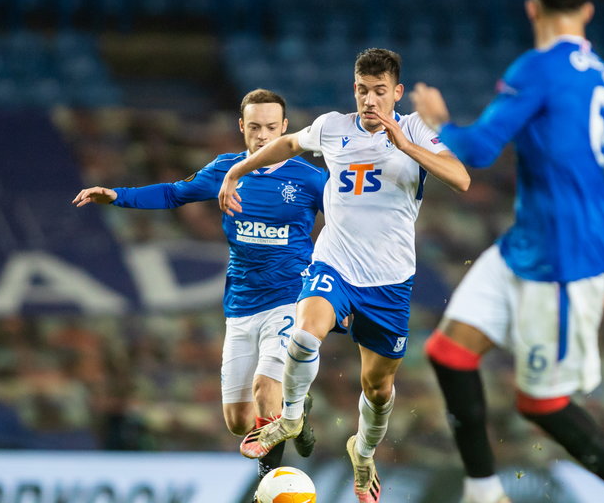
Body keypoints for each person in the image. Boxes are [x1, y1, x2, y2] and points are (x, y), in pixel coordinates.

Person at [409, 0, 604, 502]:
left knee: (540, 404)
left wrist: (438, 122)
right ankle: (484, 492)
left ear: (532, 9)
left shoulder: (536, 69)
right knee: (449, 352)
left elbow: (477, 151)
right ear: (589, 11)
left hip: (565, 263)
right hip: (525, 247)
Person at [217, 48, 470, 503]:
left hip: (389, 281)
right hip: (335, 263)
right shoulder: (334, 126)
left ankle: (364, 450)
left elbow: (461, 178)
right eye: (362, 91)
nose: (370, 101)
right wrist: (237, 169)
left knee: (378, 388)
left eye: (379, 92)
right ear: (353, 89)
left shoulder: (415, 128)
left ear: (396, 93)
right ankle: (291, 417)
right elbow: (289, 143)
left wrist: (405, 146)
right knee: (303, 333)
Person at [71, 89, 326, 482]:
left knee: (264, 389)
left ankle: (268, 486)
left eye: (271, 128)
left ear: (286, 128)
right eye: (254, 127)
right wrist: (116, 196)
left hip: (291, 298)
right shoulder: (226, 170)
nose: (262, 136)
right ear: (242, 127)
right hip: (241, 305)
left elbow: (349, 217)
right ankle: (298, 406)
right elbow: (174, 193)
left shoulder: (310, 179)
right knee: (240, 421)